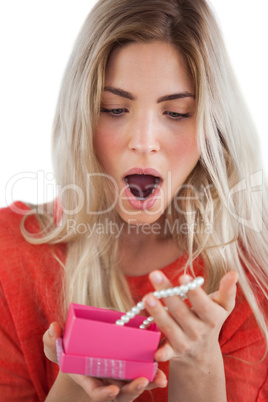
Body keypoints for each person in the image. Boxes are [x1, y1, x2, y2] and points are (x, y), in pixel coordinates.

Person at [0, 0, 267, 400]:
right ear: (82, 117)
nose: (143, 142)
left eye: (176, 113)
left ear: (213, 126)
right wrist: (74, 388)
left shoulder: (249, 274)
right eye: (114, 109)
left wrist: (198, 366)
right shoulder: (10, 253)